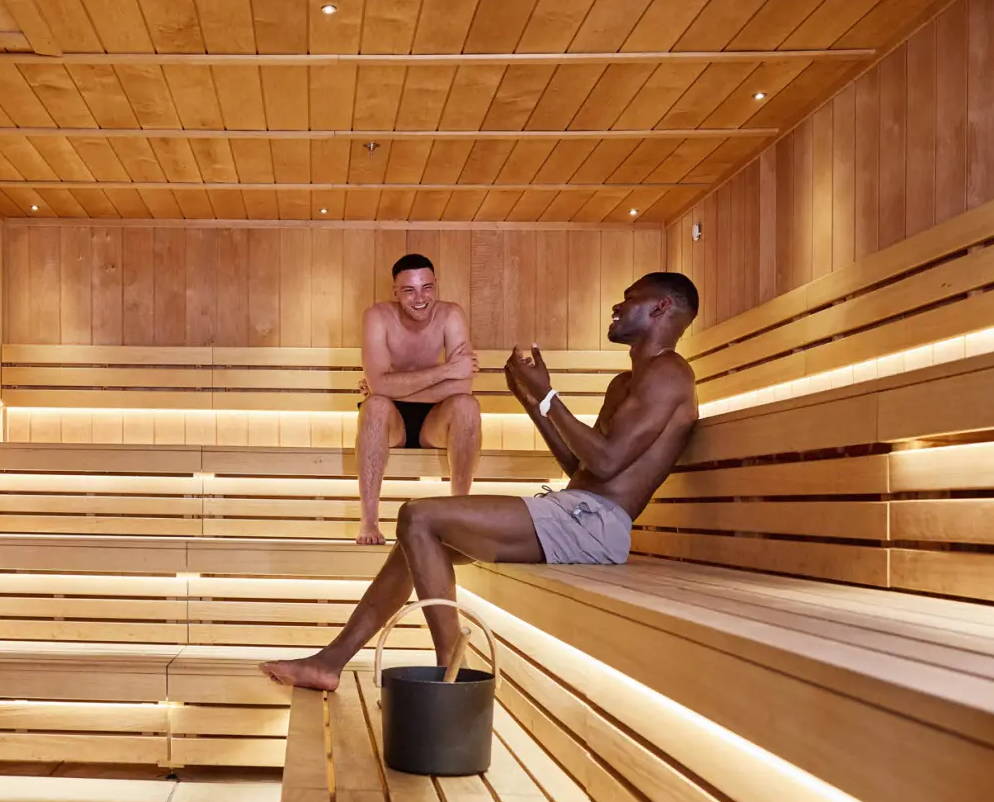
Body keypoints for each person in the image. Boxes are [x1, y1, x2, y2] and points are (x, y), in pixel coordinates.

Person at [262, 272, 701, 693]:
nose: (618, 306)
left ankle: (450, 672)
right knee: (415, 541)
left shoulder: (669, 374)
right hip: (577, 512)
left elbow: (605, 464)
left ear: (660, 307)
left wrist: (549, 395)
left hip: (595, 526)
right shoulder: (628, 381)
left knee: (418, 515)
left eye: (630, 297)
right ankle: (330, 662)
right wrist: (532, 402)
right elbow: (581, 467)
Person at [354, 254, 482, 546]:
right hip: (391, 420)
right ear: (395, 292)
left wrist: (389, 386)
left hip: (436, 420)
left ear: (436, 284)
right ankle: (369, 520)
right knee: (375, 405)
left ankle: (459, 515)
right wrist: (447, 371)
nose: (420, 297)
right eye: (409, 290)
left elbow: (463, 387)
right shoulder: (377, 317)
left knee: (466, 405)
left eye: (427, 287)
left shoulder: (451, 315)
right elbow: (379, 387)